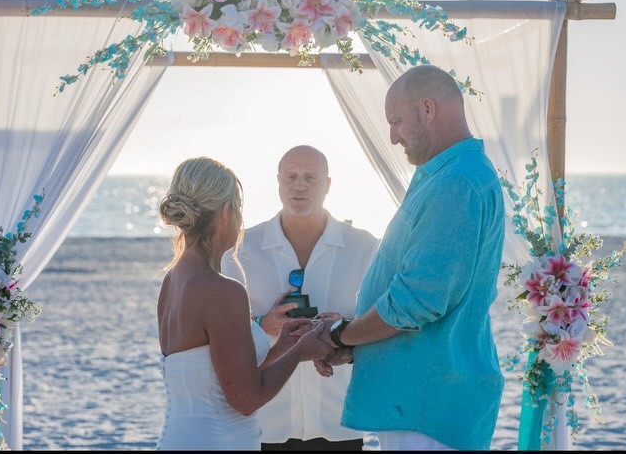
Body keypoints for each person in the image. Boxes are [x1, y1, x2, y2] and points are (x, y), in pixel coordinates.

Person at [315, 64, 506, 450]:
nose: (392, 136)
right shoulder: (446, 174)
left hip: (429, 405)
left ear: (428, 109)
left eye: (396, 121)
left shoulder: (456, 182)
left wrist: (341, 336)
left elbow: (416, 300)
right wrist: (353, 340)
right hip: (421, 400)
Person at [155, 157, 334, 451]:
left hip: (177, 438)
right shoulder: (222, 290)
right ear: (226, 212)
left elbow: (215, 377)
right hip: (217, 442)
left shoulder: (171, 283)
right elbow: (246, 399)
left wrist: (280, 348)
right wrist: (303, 349)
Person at [221, 145, 379, 451]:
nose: (300, 185)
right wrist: (262, 323)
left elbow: (381, 320)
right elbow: (224, 332)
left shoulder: (364, 246)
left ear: (328, 185)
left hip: (340, 421)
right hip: (268, 422)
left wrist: (343, 328)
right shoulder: (241, 250)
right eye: (291, 176)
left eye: (311, 177)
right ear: (278, 182)